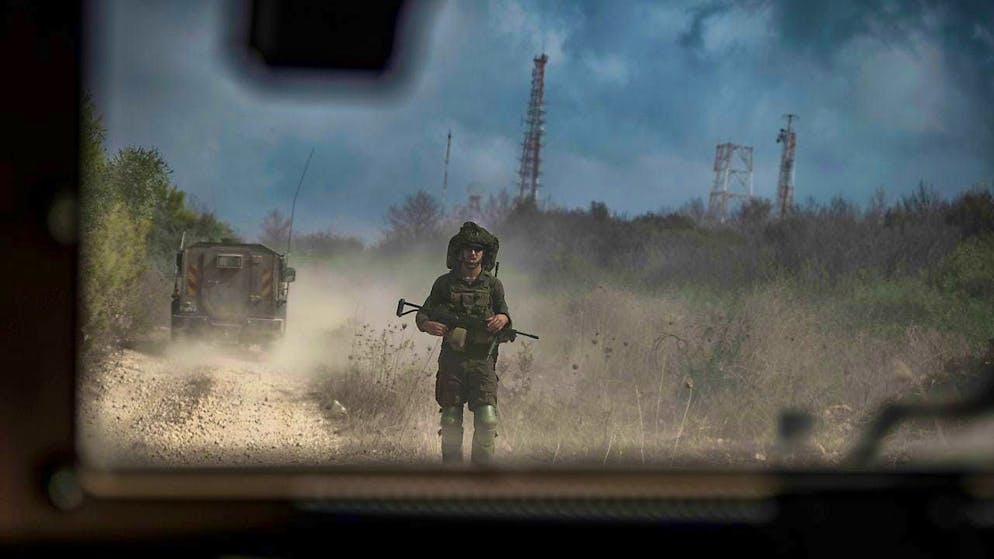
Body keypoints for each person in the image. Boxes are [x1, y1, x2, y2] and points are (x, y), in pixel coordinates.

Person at [415, 222, 511, 465]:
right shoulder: (444, 284)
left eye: (478, 249)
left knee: (488, 418)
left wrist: (503, 319)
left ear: (484, 254)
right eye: (468, 248)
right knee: (450, 419)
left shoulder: (493, 285)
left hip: (482, 360)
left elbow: (506, 317)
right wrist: (428, 325)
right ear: (459, 252)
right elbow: (423, 314)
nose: (472, 253)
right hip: (452, 360)